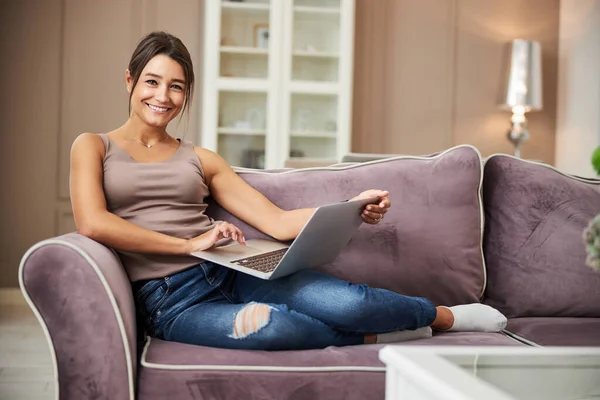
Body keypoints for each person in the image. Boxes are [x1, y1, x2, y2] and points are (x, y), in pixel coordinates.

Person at [70, 31, 507, 351]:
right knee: (273, 328)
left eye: (176, 86)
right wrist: (188, 245)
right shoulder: (93, 146)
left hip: (233, 269)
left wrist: (351, 208)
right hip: (170, 301)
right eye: (152, 81)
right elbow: (93, 223)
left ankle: (445, 317)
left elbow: (276, 222)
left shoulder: (200, 158)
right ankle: (384, 335)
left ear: (186, 95)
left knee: (349, 303)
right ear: (130, 81)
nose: (163, 96)